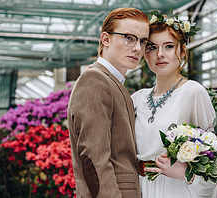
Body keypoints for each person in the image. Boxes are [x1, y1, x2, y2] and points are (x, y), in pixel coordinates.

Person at [131, 11, 217, 198]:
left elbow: (213, 162)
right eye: (152, 47)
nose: (160, 54)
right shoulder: (136, 99)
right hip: (141, 188)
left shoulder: (193, 92)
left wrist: (187, 174)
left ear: (182, 51)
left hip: (177, 189)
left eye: (168, 46)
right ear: (145, 54)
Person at [67, 7, 149, 198]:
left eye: (143, 41)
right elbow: (94, 161)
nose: (138, 48)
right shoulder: (95, 81)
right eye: (129, 38)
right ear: (106, 39)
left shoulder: (112, 82)